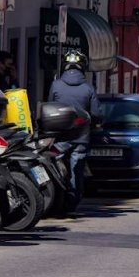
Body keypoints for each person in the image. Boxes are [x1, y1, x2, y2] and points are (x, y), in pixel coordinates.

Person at [48, 49, 100, 211]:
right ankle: (72, 201)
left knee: (54, 166)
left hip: (59, 136)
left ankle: (56, 198)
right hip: (81, 137)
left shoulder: (56, 85)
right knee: (76, 171)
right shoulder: (88, 88)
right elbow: (96, 113)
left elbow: (49, 105)